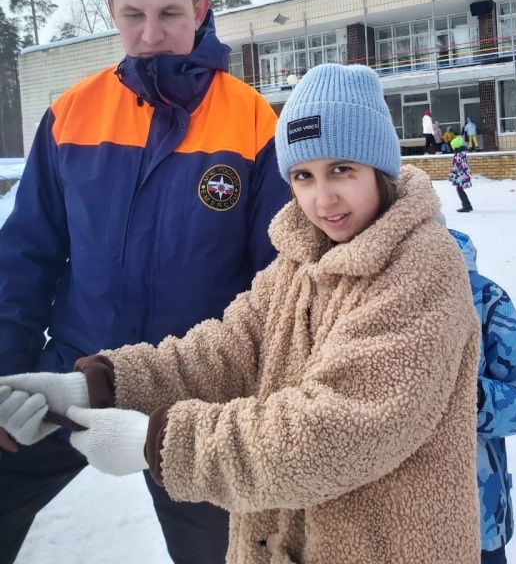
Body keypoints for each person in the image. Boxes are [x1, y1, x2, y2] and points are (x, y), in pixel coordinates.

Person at [0, 64, 482, 564]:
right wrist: (96, 385)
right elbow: (228, 350)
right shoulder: (303, 258)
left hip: (384, 545)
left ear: (379, 167)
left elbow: (339, 430)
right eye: (303, 176)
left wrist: (159, 443)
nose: (324, 198)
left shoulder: (422, 264)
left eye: (342, 169)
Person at [0, 0, 290, 564]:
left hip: (197, 391)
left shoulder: (253, 122)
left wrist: (264, 400)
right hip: (72, 373)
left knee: (227, 553)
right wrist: (4, 372)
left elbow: (278, 278)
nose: (152, 32)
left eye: (170, 14)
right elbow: (26, 254)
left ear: (202, 9)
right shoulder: (71, 115)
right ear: (112, 13)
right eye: (134, 15)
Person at [449, 228, 516, 564]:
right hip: (373, 530)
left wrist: (466, 398)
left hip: (476, 521)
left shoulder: (481, 296)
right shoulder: (338, 293)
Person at [449, 135, 473, 212]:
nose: (451, 147)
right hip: (463, 174)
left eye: (452, 145)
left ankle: (466, 206)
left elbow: (457, 166)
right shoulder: (462, 153)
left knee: (459, 190)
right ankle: (468, 205)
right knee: (460, 189)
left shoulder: (458, 155)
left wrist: (451, 175)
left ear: (455, 146)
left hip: (461, 175)